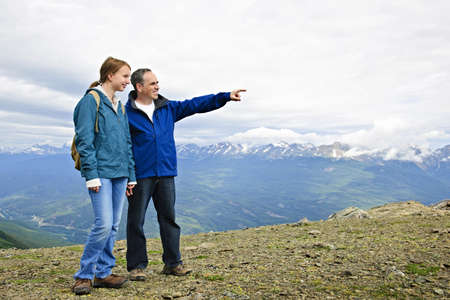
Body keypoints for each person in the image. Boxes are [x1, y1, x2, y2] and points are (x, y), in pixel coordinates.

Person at [125, 68, 245, 280]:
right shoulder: (126, 113)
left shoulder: (167, 108)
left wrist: (224, 97)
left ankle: (173, 263)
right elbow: (122, 146)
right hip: (140, 175)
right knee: (136, 221)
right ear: (139, 87)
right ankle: (136, 266)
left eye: (157, 82)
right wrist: (127, 175)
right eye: (152, 83)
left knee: (169, 218)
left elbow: (195, 104)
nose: (157, 87)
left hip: (166, 172)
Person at [71, 57, 137, 295]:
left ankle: (104, 272)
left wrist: (131, 174)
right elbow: (84, 141)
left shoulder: (119, 105)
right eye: (125, 76)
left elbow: (126, 142)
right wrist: (91, 175)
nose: (128, 82)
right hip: (100, 174)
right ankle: (84, 275)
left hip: (120, 174)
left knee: (112, 226)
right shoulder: (91, 101)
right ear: (110, 75)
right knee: (103, 224)